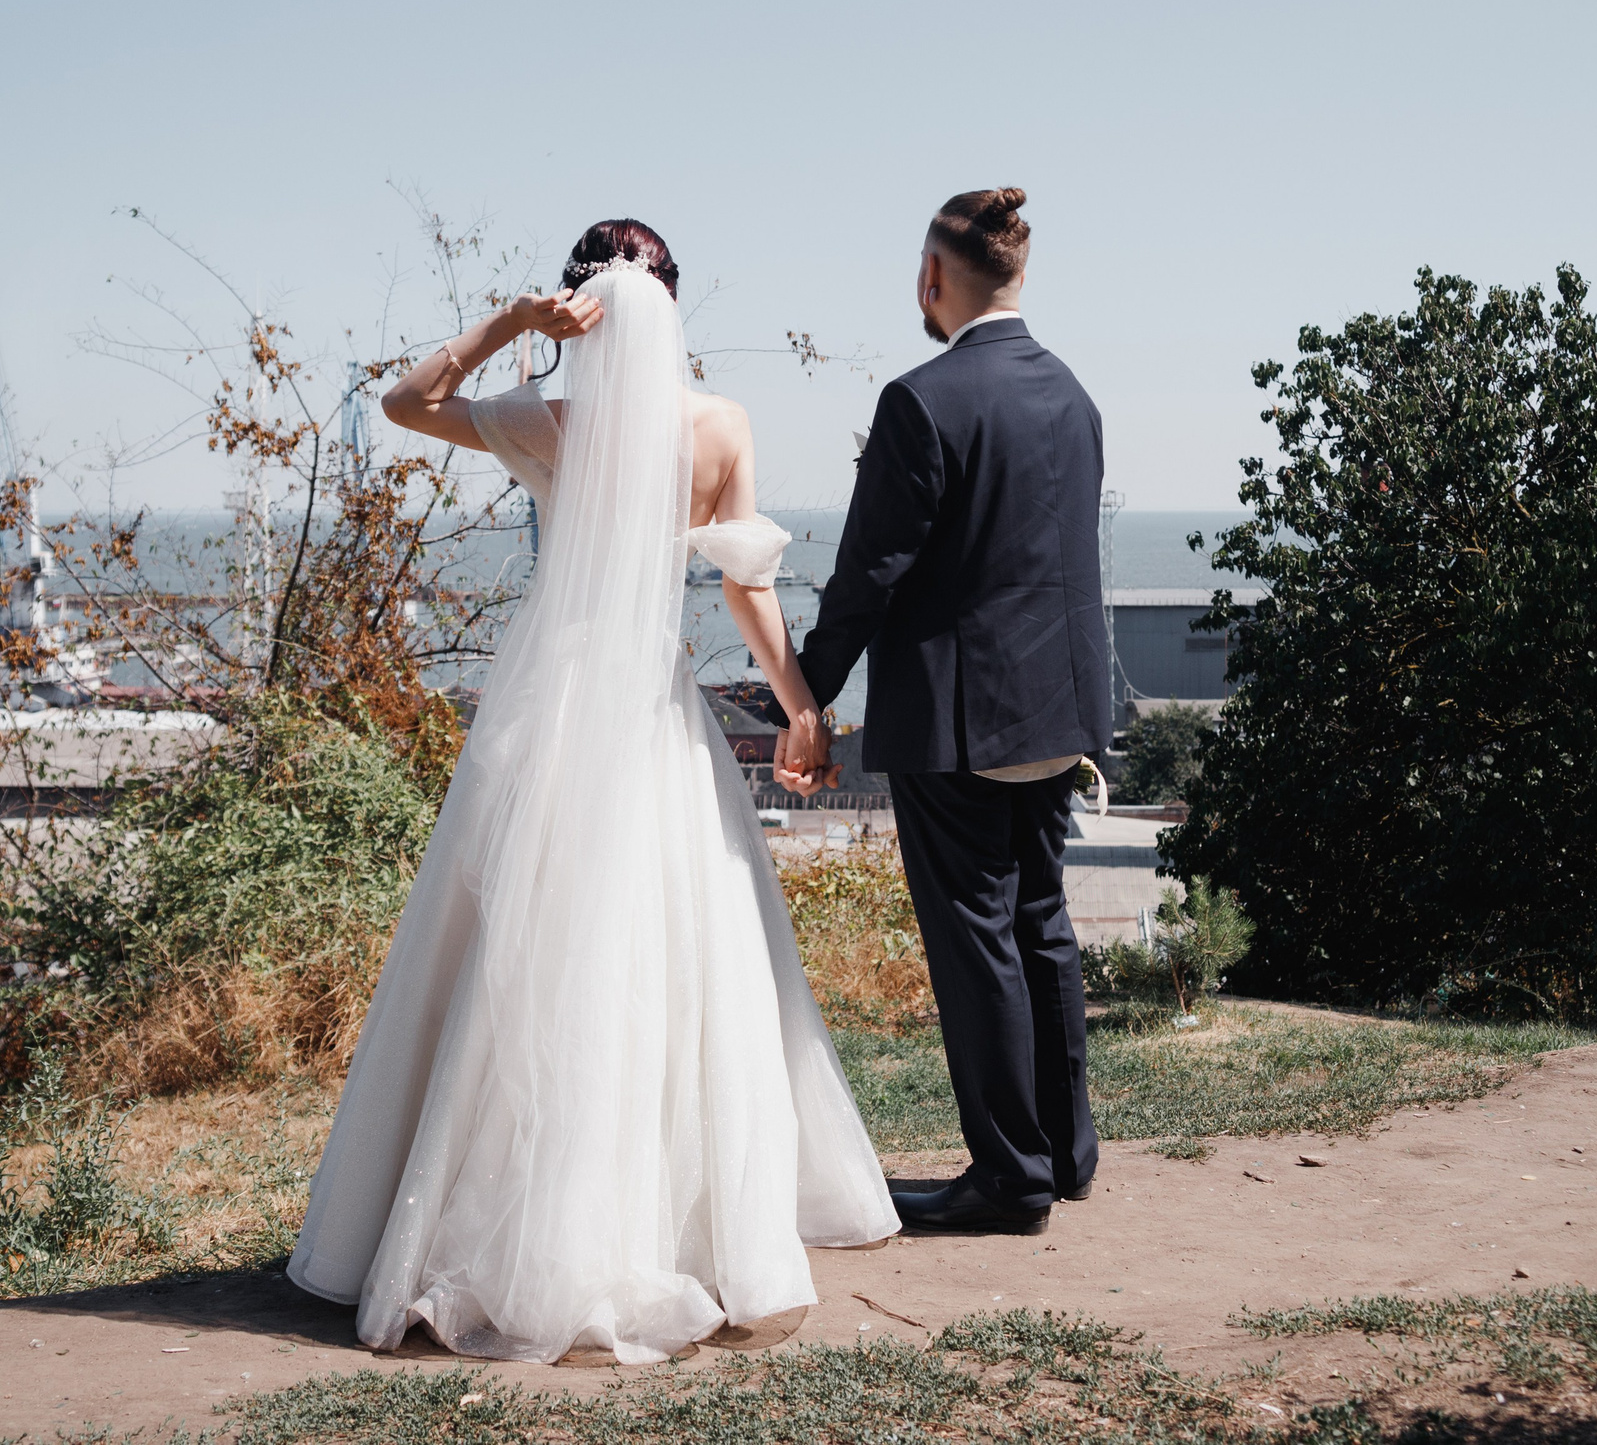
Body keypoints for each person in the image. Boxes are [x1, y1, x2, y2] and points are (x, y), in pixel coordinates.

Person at [285, 219, 899, 1364]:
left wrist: (512, 325)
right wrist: (799, 705)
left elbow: (405, 403)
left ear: (585, 307)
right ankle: (680, 1226)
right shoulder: (719, 427)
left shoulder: (545, 421)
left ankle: (524, 1221)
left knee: (533, 953)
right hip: (655, 710)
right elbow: (742, 587)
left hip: (554, 701)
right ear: (675, 305)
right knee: (670, 950)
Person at [793, 188, 1111, 1236]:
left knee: (977, 940)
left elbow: (870, 569)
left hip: (958, 720)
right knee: (1041, 925)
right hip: (1057, 711)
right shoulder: (1073, 396)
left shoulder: (919, 400)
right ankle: (1064, 1154)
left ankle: (1010, 1177)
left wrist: (809, 686)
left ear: (934, 280)